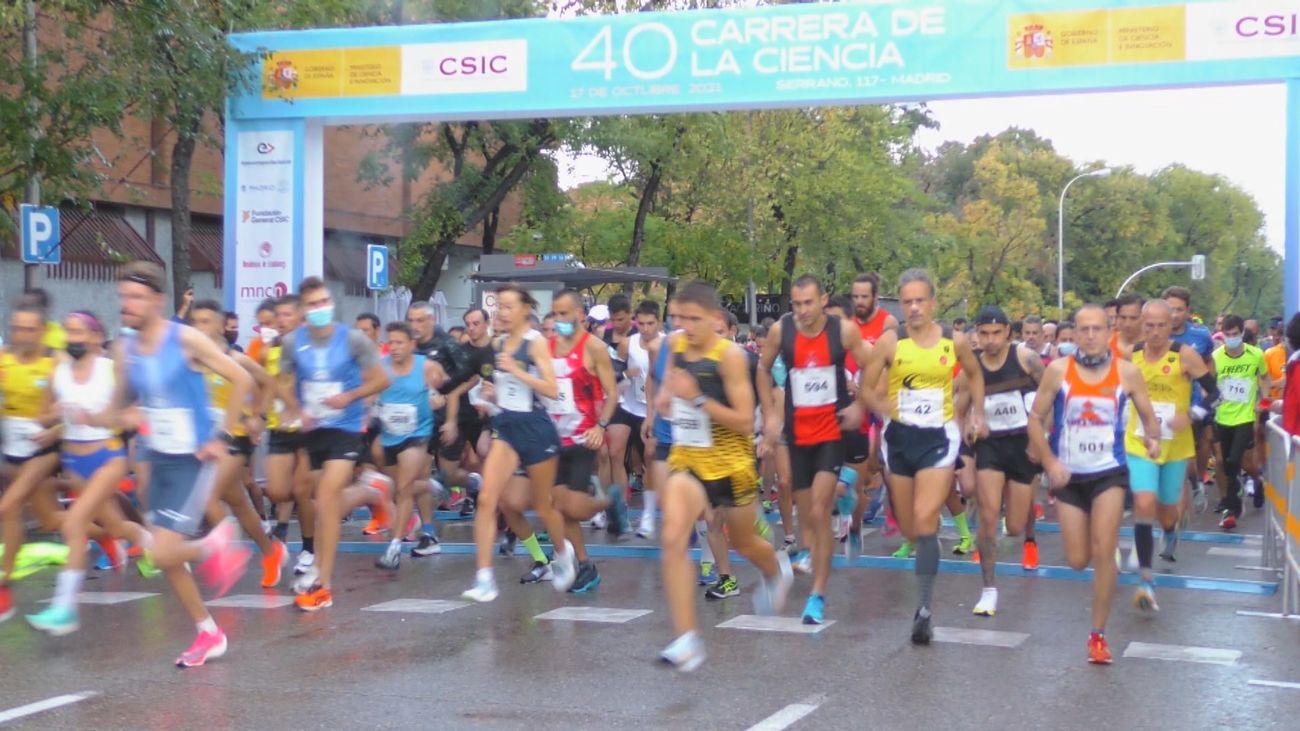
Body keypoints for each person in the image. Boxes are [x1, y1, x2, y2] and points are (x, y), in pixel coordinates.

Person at [99, 262, 255, 666]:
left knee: (163, 553)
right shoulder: (126, 349)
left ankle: (215, 545)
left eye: (135, 296)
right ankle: (208, 632)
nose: (126, 304)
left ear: (157, 299)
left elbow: (242, 380)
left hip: (192, 457)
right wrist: (112, 418)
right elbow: (119, 409)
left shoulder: (185, 339)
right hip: (157, 457)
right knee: (166, 558)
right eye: (122, 297)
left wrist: (223, 436)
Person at [657, 281, 792, 672]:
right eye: (678, 318)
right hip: (689, 459)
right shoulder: (677, 346)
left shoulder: (729, 357)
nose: (684, 326)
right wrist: (667, 400)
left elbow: (740, 420)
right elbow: (668, 393)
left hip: (731, 464)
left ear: (716, 320)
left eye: (693, 319)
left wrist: (698, 398)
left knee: (747, 542)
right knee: (673, 536)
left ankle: (774, 571)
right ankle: (686, 638)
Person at [1027, 304, 1163, 665]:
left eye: (1097, 329)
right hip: (1069, 476)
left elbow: (1150, 418)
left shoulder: (1127, 373)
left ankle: (1098, 635)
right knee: (1076, 560)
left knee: (1104, 550)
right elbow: (1036, 419)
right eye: (1083, 329)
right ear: (1076, 332)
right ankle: (1103, 563)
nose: (1089, 336)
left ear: (1109, 332)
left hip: (1109, 473)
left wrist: (1153, 440)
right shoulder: (1058, 371)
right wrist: (1050, 461)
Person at [856, 269, 985, 645]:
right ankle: (925, 547)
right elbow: (866, 385)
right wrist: (883, 408)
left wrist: (971, 413)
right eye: (907, 301)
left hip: (938, 438)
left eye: (919, 301)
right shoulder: (890, 343)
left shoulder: (953, 342)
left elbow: (975, 376)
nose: (913, 308)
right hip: (899, 439)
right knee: (913, 528)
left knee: (927, 519)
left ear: (932, 303)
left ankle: (924, 610)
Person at [279, 277, 393, 611]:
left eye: (324, 302)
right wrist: (295, 409)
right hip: (314, 431)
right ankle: (372, 490)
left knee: (327, 498)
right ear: (303, 310)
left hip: (346, 427)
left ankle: (323, 583)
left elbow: (381, 379)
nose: (320, 309)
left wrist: (350, 396)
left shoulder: (353, 339)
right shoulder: (292, 343)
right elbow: (283, 383)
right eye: (312, 304)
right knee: (321, 503)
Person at [758, 275, 867, 625]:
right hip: (798, 436)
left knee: (819, 513)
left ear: (822, 300)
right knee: (809, 519)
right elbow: (762, 369)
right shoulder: (781, 331)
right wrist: (771, 417)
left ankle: (817, 595)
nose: (802, 311)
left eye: (808, 303)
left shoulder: (843, 331)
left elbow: (875, 363)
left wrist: (861, 405)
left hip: (831, 435)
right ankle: (843, 494)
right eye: (796, 304)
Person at [461, 284, 576, 602]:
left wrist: (518, 371)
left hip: (537, 430)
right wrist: (491, 395)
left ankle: (562, 554)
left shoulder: (536, 343)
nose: (503, 312)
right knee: (488, 498)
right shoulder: (497, 342)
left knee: (542, 505)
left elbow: (551, 390)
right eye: (499, 306)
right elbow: (507, 391)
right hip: (507, 427)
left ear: (525, 309)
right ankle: (485, 579)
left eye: (509, 306)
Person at [190, 300, 288, 588]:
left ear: (222, 325)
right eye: (195, 322)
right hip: (205, 441)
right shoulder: (190, 360)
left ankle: (229, 552)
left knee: (208, 496)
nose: (200, 327)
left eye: (207, 321)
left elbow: (269, 383)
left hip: (236, 436)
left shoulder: (235, 358)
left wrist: (258, 415)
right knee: (237, 501)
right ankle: (271, 553)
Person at [1126, 300, 1214, 598]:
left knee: (1165, 512)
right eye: (1148, 326)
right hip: (1139, 441)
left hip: (1175, 444)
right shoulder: (1131, 355)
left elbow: (1215, 394)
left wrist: (1190, 415)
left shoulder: (1184, 355)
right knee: (1143, 503)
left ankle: (1171, 529)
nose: (1154, 332)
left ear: (1171, 325)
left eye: (1161, 325)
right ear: (1141, 325)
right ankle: (1146, 580)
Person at [969, 306, 1045, 617]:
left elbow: (1050, 396)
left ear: (1008, 334)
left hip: (1022, 447)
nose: (990, 340)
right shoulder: (972, 366)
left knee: (1013, 526)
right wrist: (970, 424)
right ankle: (988, 590)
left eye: (996, 333)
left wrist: (1040, 439)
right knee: (987, 515)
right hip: (990, 446)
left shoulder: (1025, 358)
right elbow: (959, 405)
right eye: (984, 334)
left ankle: (1016, 533)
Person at [374, 322, 448, 570]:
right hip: (389, 435)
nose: (394, 347)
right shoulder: (380, 367)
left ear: (411, 345)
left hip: (417, 433)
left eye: (399, 342)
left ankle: (394, 548)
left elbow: (442, 388)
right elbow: (368, 393)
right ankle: (431, 485)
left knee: (404, 489)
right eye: (390, 342)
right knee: (397, 488)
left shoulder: (425, 366)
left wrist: (437, 397)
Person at [1211, 315, 1270, 530]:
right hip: (1222, 418)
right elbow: (1208, 382)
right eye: (1228, 335)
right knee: (1229, 464)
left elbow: (1264, 376)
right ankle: (1256, 482)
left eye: (1235, 334)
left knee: (1234, 461)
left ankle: (1232, 510)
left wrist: (1263, 401)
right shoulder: (1216, 356)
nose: (1231, 338)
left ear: (1242, 333)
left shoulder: (1255, 354)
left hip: (1245, 417)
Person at [1110, 293, 1143, 360]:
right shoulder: (1106, 345)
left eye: (1133, 318)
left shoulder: (1153, 345)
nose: (1127, 324)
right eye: (1123, 317)